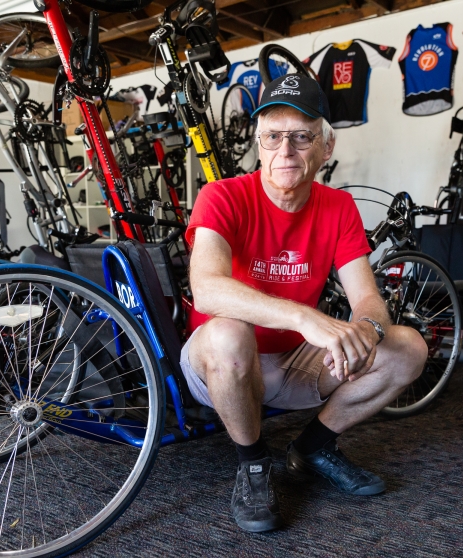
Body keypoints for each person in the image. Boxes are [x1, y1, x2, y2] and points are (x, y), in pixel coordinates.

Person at [179, 73, 428, 532]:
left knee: (407, 347)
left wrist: (366, 332)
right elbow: (208, 290)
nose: (285, 151)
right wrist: (305, 317)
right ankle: (253, 463)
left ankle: (314, 445)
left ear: (326, 147)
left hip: (297, 361)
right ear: (259, 145)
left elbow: (368, 299)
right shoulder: (223, 195)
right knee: (229, 331)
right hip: (222, 365)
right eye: (273, 137)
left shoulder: (338, 207)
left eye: (300, 137)